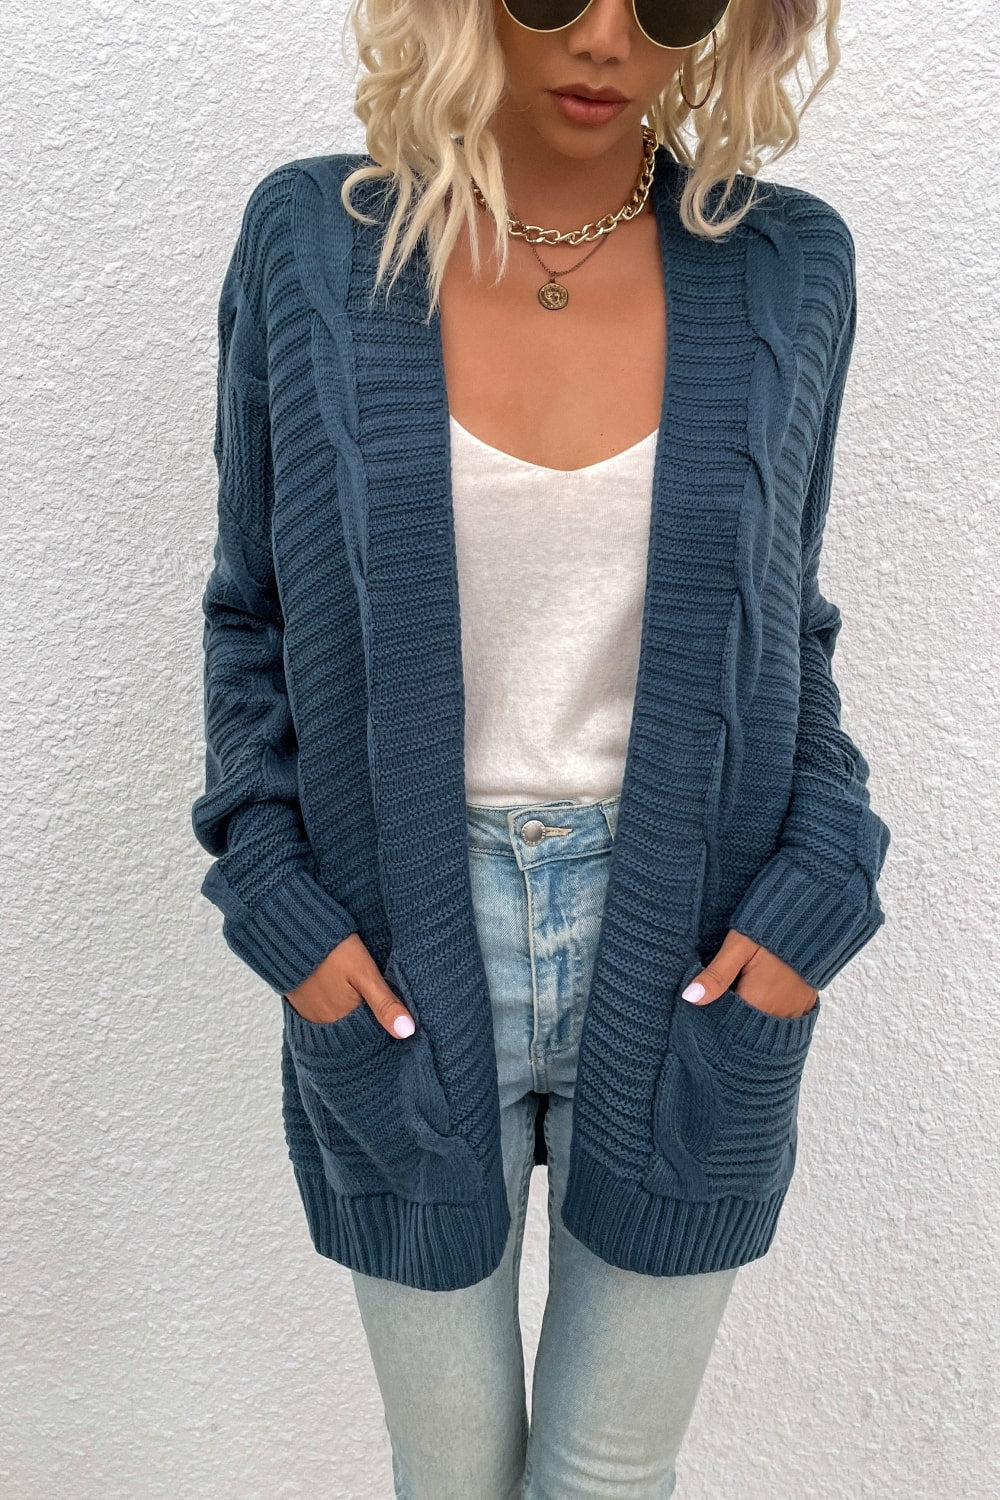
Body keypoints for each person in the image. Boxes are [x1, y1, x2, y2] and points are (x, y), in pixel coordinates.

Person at [191, 1, 891, 1494]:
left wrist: (827, 878)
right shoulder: (316, 242)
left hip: (699, 946)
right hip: (397, 951)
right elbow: (251, 611)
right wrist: (275, 898)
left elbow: (789, 626)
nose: (608, 40)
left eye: (670, 2)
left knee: (608, 1477)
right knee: (449, 1470)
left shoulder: (790, 265)